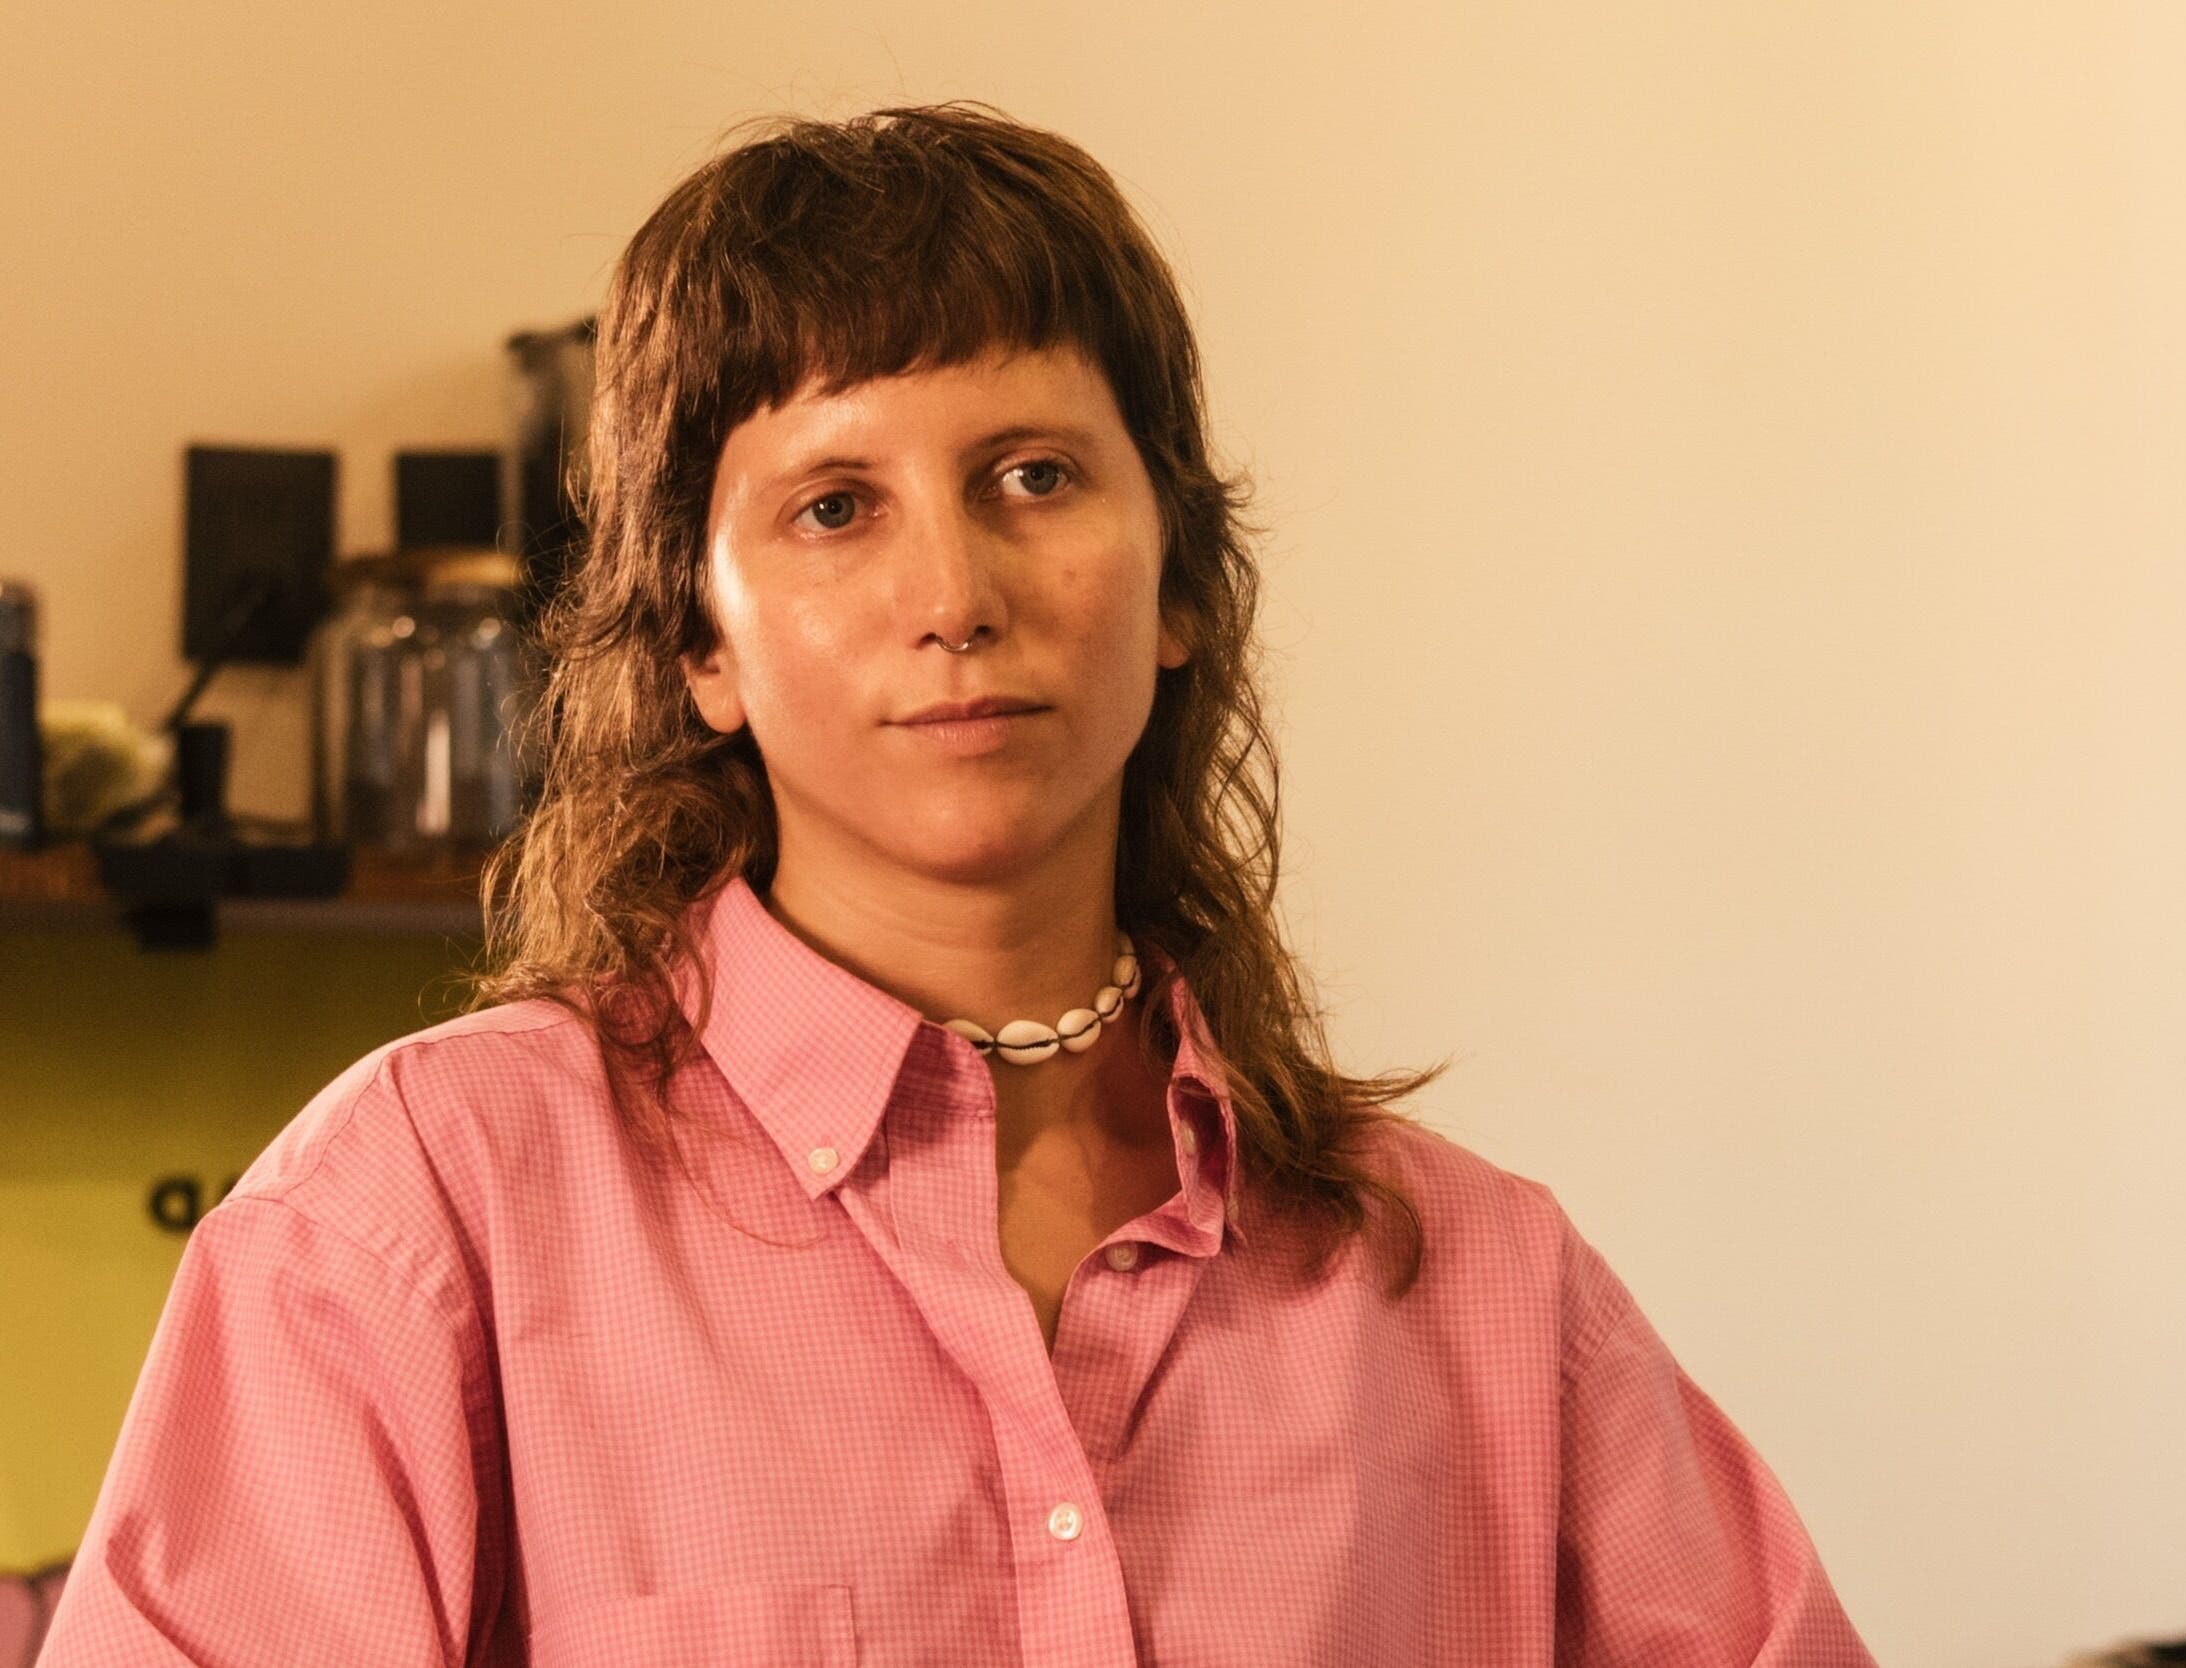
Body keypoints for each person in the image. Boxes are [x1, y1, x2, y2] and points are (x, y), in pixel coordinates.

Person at [36, 102, 1880, 1666]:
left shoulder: (1478, 1290)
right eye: (835, 506)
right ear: (699, 639)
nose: (956, 595)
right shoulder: (414, 1223)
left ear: (1176, 585)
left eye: (1032, 474)